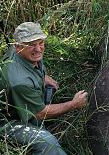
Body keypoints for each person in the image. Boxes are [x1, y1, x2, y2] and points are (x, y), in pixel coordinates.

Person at [0, 22, 88, 154]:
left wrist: (43, 76)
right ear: (18, 47)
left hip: (25, 100)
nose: (38, 49)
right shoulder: (19, 82)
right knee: (47, 142)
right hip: (7, 121)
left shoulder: (21, 51)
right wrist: (73, 104)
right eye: (31, 44)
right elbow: (39, 113)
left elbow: (34, 56)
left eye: (40, 42)